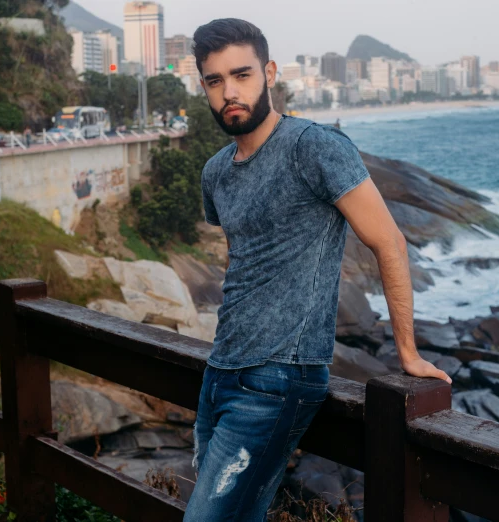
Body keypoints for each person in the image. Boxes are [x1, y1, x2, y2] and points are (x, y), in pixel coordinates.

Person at [184, 18, 451, 522]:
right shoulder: (216, 171)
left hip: (279, 377)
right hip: (219, 374)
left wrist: (408, 354)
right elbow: (242, 258)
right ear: (204, 87)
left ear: (269, 73)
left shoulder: (315, 147)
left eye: (241, 75)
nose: (229, 92)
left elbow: (389, 242)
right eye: (215, 81)